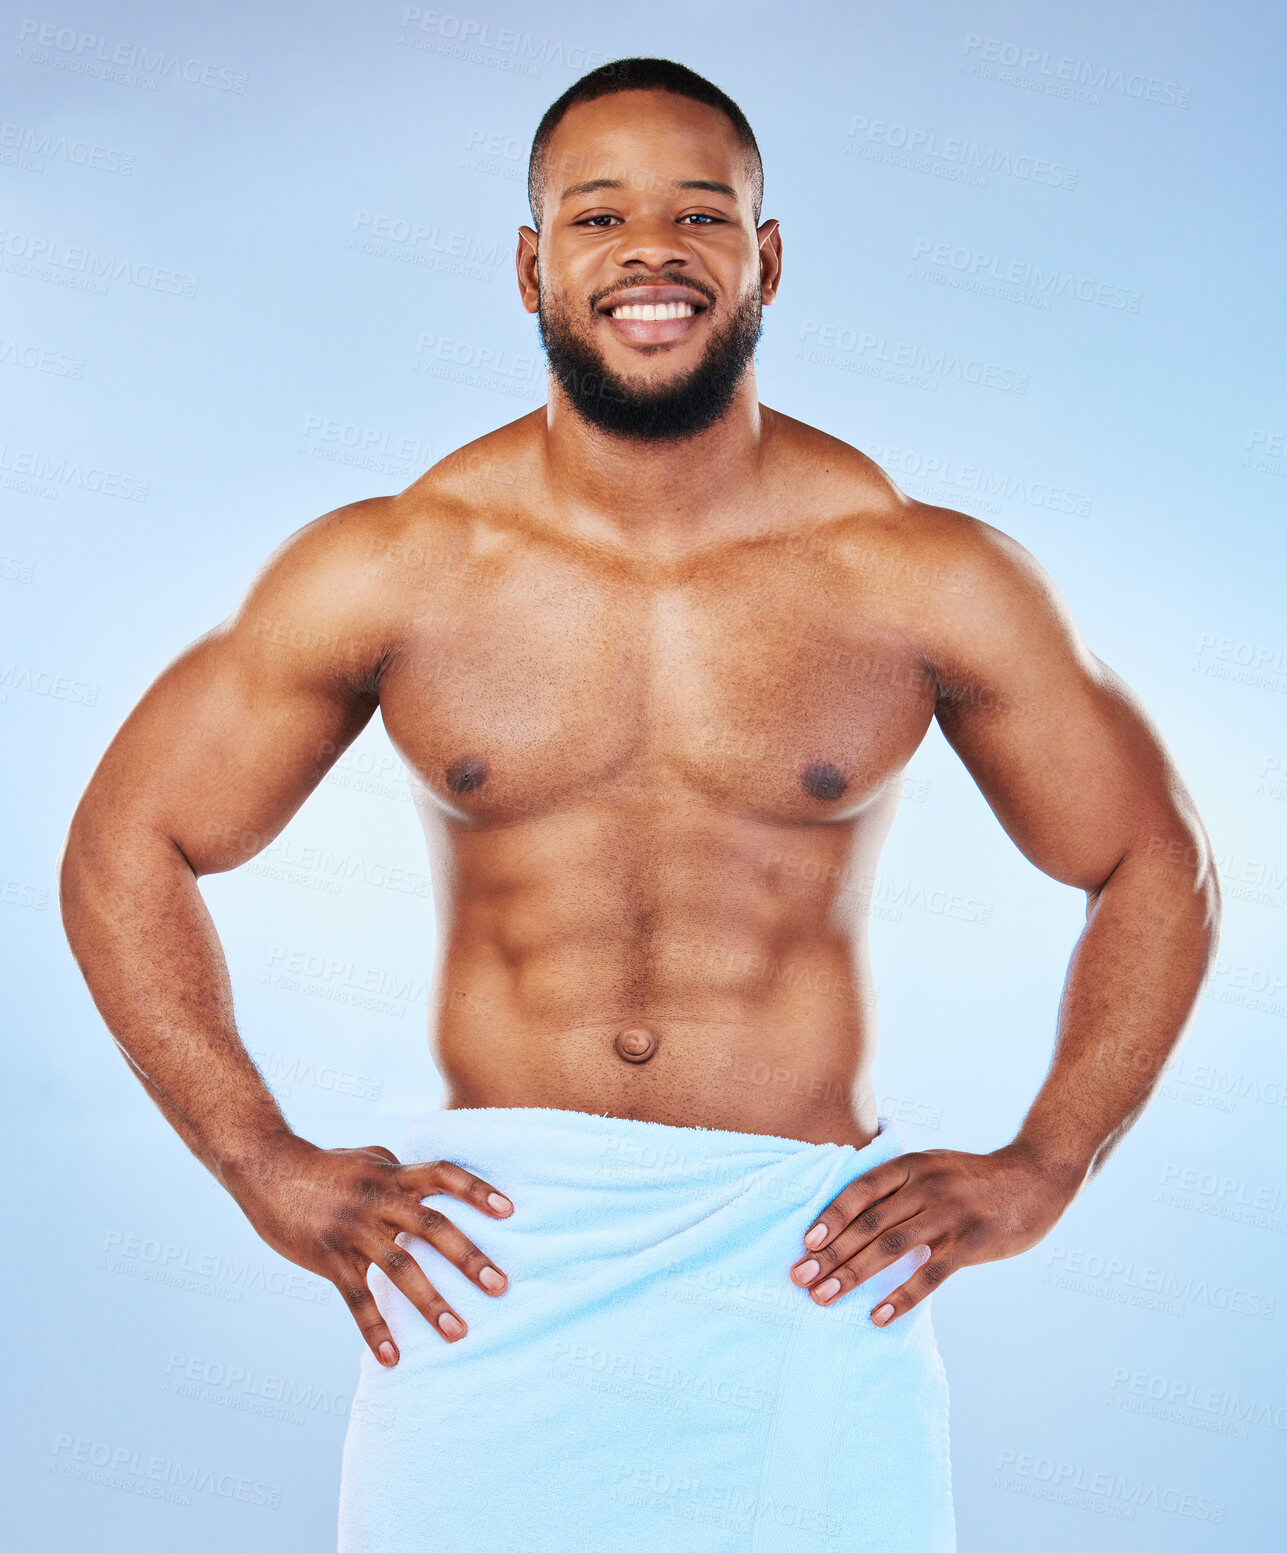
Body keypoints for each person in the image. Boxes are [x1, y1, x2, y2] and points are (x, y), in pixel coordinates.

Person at [60, 56, 1220, 1553]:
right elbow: (124, 841)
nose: (650, 251)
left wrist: (1048, 1162)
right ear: (534, 265)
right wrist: (255, 1157)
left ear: (768, 256)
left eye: (701, 213)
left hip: (806, 1263)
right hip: (487, 1263)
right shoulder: (397, 564)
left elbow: (1151, 857)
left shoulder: (920, 573)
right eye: (598, 216)